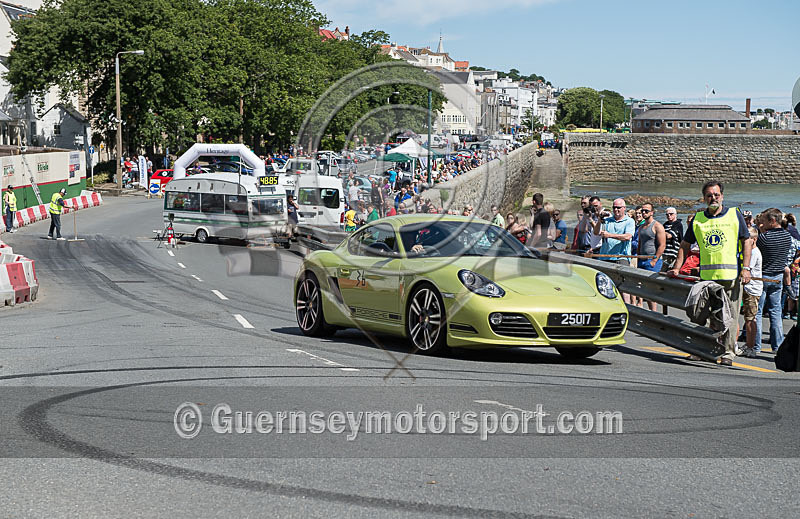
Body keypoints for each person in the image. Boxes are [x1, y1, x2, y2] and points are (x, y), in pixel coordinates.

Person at [668, 181, 752, 366]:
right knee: (703, 315)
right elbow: (685, 245)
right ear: (704, 198)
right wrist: (677, 267)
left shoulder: (733, 215)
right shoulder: (698, 218)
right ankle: (703, 349)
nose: (713, 198)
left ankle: (728, 353)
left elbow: (746, 241)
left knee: (729, 317)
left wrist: (746, 268)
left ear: (722, 195)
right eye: (709, 195)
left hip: (730, 277)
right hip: (706, 278)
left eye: (716, 194)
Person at [753, 208, 793, 356]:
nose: (762, 223)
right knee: (776, 312)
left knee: (757, 312)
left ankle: (756, 346)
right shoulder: (787, 236)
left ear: (772, 221)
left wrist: (759, 229)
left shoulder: (763, 238)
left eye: (764, 220)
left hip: (762, 276)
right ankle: (777, 345)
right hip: (778, 276)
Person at [636, 203, 666, 310]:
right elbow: (640, 244)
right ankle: (650, 313)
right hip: (642, 260)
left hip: (652, 261)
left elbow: (662, 245)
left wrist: (655, 259)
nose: (644, 213)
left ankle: (654, 313)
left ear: (652, 213)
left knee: (651, 289)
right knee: (644, 290)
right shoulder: (641, 227)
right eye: (642, 211)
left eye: (646, 211)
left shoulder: (657, 226)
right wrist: (638, 258)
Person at [740, 227, 763, 358]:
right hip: (751, 288)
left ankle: (750, 347)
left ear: (754, 240)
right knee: (749, 318)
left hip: (752, 289)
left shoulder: (754, 253)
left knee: (750, 319)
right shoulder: (752, 252)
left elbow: (747, 271)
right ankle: (749, 345)